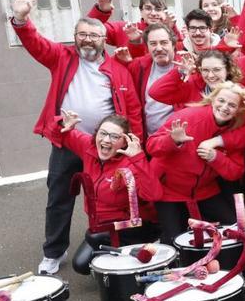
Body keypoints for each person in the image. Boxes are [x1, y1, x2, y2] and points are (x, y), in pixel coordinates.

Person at [9, 0, 143, 275]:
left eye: (94, 35)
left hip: (105, 146)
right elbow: (35, 43)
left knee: (109, 197)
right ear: (75, 36)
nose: (88, 39)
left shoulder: (118, 69)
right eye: (82, 34)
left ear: (104, 40)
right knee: (59, 197)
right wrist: (21, 19)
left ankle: (109, 246)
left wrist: (134, 142)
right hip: (68, 142)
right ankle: (54, 252)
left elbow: (131, 110)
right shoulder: (62, 57)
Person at [49, 111, 162, 273]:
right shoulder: (88, 147)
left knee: (94, 238)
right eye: (103, 133)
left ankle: (141, 248)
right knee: (81, 265)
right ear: (96, 134)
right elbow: (57, 134)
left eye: (115, 137)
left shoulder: (130, 163)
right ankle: (119, 253)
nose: (106, 139)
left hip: (133, 226)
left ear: (125, 141)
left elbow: (154, 195)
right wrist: (61, 122)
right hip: (101, 226)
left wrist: (138, 158)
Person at [145, 82, 245, 241]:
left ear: (238, 110)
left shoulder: (235, 130)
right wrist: (172, 140)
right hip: (169, 190)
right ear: (212, 99)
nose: (224, 107)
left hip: (205, 189)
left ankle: (220, 264)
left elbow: (235, 172)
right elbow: (151, 146)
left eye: (232, 104)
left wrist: (216, 158)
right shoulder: (189, 117)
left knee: (232, 229)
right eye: (221, 101)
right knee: (174, 238)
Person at [120, 23, 182, 136]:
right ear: (147, 46)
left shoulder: (185, 67)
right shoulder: (139, 66)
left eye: (164, 43)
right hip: (149, 139)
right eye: (153, 44)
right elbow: (118, 75)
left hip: (177, 139)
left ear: (173, 44)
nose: (158, 48)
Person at [149, 49, 244, 109]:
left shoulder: (239, 91)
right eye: (205, 70)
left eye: (216, 70)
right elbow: (155, 92)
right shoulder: (192, 88)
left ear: (227, 70)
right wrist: (179, 72)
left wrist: (220, 141)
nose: (210, 75)